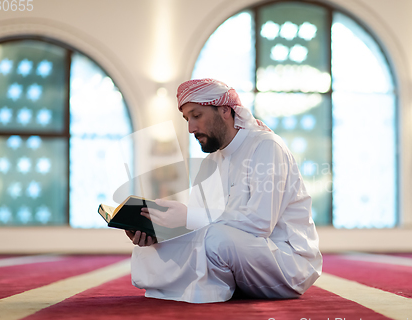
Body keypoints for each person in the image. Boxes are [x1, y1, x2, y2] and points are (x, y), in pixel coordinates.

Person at [126, 78, 322, 303]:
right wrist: (158, 233)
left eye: (196, 115)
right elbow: (197, 226)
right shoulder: (210, 163)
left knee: (215, 240)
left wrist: (189, 216)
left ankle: (213, 284)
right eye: (187, 119)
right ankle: (215, 281)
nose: (191, 128)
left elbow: (260, 223)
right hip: (237, 253)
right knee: (152, 249)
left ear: (225, 110)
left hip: (286, 261)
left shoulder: (266, 147)